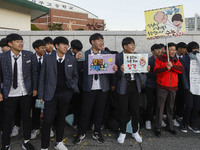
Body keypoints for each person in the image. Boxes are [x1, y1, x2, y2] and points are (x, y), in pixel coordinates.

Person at [74, 33, 117, 144]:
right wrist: (75, 60)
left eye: (102, 40)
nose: (101, 42)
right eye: (99, 40)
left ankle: (97, 132)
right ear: (92, 42)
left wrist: (114, 68)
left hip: (103, 89)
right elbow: (77, 70)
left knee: (99, 112)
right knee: (85, 112)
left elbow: (111, 72)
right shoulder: (84, 54)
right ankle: (81, 133)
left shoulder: (107, 55)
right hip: (88, 88)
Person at [38, 36, 79, 150]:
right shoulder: (47, 58)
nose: (66, 46)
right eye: (63, 44)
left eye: (67, 44)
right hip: (50, 94)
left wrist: (70, 90)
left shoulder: (71, 59)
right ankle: (44, 146)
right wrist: (40, 96)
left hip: (65, 95)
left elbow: (75, 76)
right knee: (47, 121)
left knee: (61, 119)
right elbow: (42, 78)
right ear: (57, 46)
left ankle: (59, 142)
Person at [0, 33, 37, 150]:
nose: (21, 43)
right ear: (10, 44)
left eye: (21, 41)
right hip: (9, 93)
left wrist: (35, 88)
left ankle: (26, 141)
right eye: (17, 41)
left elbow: (34, 73)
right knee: (7, 119)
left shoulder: (29, 55)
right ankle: (5, 144)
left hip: (25, 92)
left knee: (26, 117)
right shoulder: (2, 57)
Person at [115, 37, 143, 144]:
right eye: (131, 45)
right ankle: (122, 132)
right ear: (125, 46)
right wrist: (120, 71)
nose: (133, 47)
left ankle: (135, 131)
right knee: (123, 110)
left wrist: (146, 69)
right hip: (123, 86)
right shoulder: (118, 57)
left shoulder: (137, 56)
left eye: (134, 45)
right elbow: (114, 74)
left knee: (135, 110)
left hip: (134, 85)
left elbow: (142, 71)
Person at [154, 42, 183, 137]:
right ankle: (158, 128)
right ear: (166, 50)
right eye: (171, 49)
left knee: (170, 108)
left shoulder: (175, 60)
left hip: (173, 87)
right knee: (160, 108)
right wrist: (166, 68)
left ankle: (170, 127)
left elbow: (181, 70)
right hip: (162, 87)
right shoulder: (160, 59)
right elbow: (156, 71)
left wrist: (172, 66)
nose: (173, 51)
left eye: (174, 50)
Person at [180, 41, 200, 133]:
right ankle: (184, 124)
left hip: (198, 86)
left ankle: (192, 124)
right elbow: (183, 75)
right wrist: (186, 87)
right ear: (189, 51)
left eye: (197, 51)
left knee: (197, 107)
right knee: (189, 106)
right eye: (194, 51)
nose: (196, 53)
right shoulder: (184, 59)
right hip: (189, 86)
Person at [30, 39, 46, 139]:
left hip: (47, 89)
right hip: (34, 90)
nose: (44, 49)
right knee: (36, 109)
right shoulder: (30, 58)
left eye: (45, 47)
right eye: (42, 48)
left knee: (48, 109)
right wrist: (34, 88)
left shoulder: (49, 58)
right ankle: (36, 128)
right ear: (36, 49)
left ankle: (48, 128)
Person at [145, 44, 161, 130]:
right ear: (153, 51)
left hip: (160, 85)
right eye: (157, 50)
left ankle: (157, 118)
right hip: (150, 85)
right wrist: (158, 73)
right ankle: (148, 120)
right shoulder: (149, 60)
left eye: (160, 49)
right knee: (150, 103)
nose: (159, 51)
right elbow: (145, 73)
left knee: (159, 103)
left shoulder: (162, 60)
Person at [172, 42, 187, 127]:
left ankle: (179, 115)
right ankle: (173, 117)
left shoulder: (186, 57)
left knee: (181, 100)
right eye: (184, 48)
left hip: (183, 83)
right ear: (179, 49)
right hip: (173, 83)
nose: (185, 50)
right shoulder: (171, 58)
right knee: (172, 102)